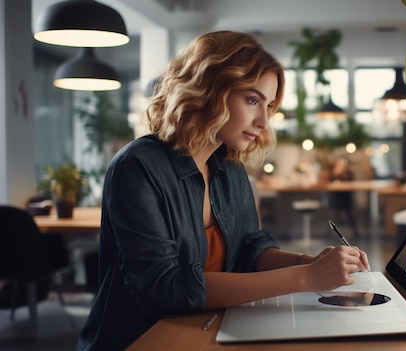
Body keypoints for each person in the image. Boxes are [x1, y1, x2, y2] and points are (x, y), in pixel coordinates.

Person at [77, 31, 370, 350]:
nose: (263, 122)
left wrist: (307, 262)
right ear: (210, 88)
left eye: (268, 105)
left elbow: (250, 250)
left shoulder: (230, 167)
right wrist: (306, 278)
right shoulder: (138, 167)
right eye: (253, 99)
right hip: (143, 338)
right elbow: (166, 286)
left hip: (211, 327)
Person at [328, 157, 360, 238]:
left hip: (346, 198)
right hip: (337, 198)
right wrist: (335, 174)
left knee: (349, 216)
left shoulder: (348, 173)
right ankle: (329, 233)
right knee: (335, 216)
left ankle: (356, 233)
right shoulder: (334, 173)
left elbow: (351, 182)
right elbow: (330, 181)